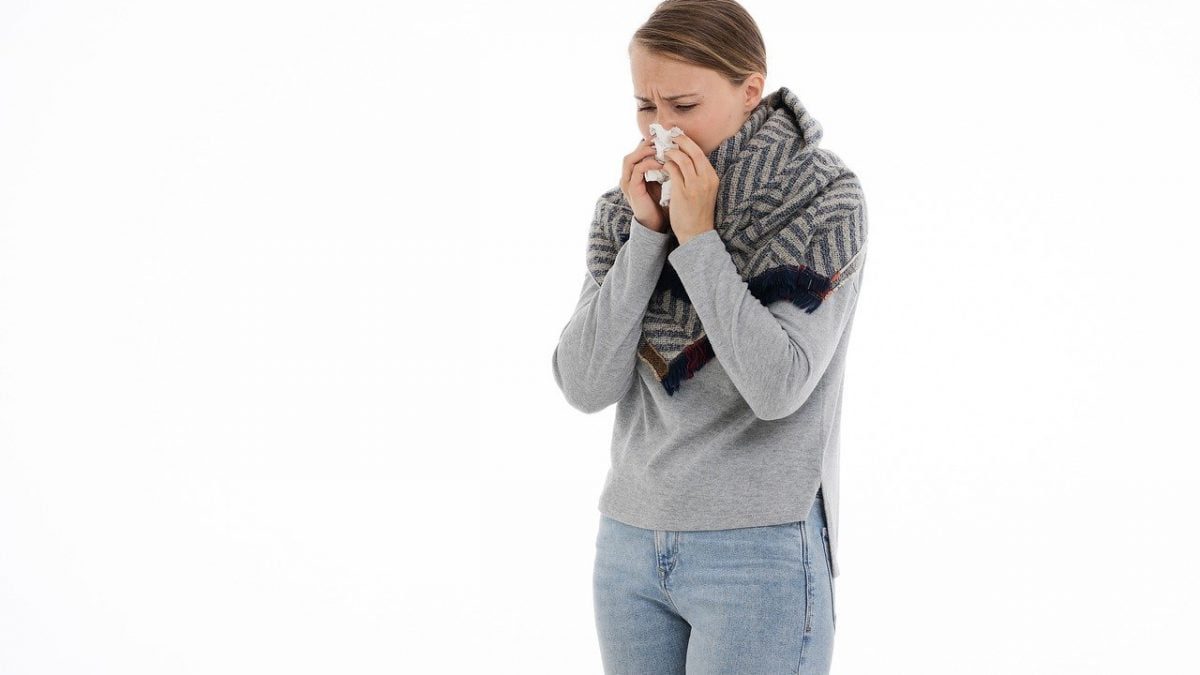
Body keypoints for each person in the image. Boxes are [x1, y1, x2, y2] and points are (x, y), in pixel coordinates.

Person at [551, 1, 868, 672]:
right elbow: (584, 383)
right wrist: (647, 234)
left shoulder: (821, 198)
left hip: (758, 552)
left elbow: (778, 385)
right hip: (629, 545)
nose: (662, 131)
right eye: (645, 106)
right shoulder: (627, 207)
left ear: (750, 90)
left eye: (684, 105)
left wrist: (698, 239)